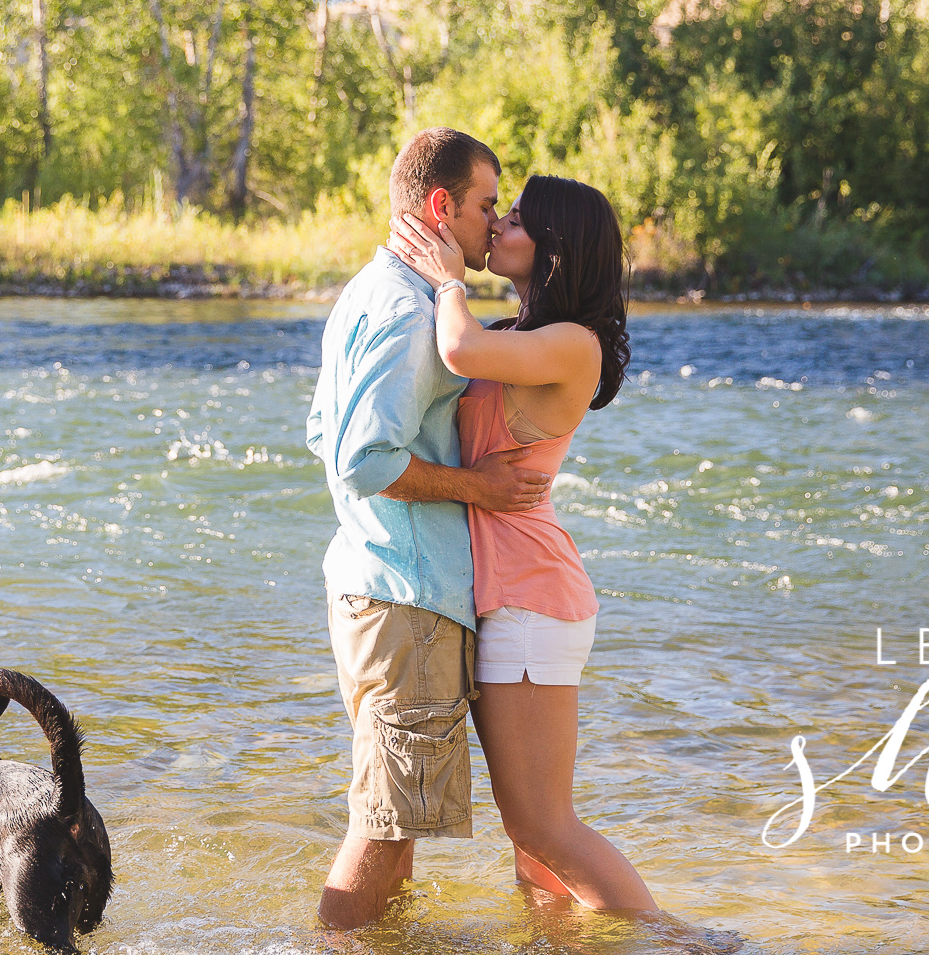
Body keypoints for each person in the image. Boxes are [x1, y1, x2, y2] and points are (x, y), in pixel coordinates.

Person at [389, 174, 734, 947]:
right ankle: (557, 940)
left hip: (531, 600)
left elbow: (457, 346)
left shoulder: (572, 342)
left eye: (516, 216)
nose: (501, 221)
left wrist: (445, 278)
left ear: (551, 247)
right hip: (504, 592)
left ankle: (684, 941)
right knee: (530, 837)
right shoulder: (525, 331)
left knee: (542, 822)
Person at [305, 127, 555, 931]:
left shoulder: (366, 290)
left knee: (396, 818)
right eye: (488, 204)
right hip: (404, 597)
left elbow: (321, 431)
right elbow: (360, 459)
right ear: (442, 206)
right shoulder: (412, 314)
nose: (495, 221)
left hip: (374, 584)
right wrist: (476, 484)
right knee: (384, 827)